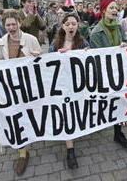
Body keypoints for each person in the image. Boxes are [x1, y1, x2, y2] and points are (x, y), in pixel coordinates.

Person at [0, 9, 41, 175]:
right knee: (16, 118)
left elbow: (41, 61)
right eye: (8, 24)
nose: (11, 27)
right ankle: (22, 152)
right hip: (11, 87)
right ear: (4, 25)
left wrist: (37, 56)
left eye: (14, 24)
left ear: (20, 23)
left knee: (32, 114)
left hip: (30, 85)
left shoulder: (31, 39)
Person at [48, 13, 90, 169]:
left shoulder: (83, 42)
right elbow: (48, 65)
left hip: (79, 84)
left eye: (74, 23)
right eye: (68, 24)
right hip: (63, 85)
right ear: (63, 26)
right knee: (67, 114)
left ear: (77, 25)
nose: (71, 26)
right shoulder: (55, 43)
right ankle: (70, 149)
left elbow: (91, 62)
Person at [90, 0, 127, 149]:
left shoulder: (119, 27)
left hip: (120, 71)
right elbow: (98, 56)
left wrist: (125, 44)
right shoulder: (96, 32)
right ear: (103, 11)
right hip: (105, 73)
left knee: (119, 101)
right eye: (111, 8)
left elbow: (125, 44)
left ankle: (118, 133)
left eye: (116, 8)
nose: (115, 10)